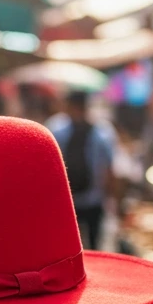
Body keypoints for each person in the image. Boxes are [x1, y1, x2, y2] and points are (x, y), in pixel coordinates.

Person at [48, 91, 115, 250]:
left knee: (72, 247)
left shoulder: (56, 129)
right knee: (91, 247)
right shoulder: (102, 131)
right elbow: (109, 170)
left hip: (74, 201)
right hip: (81, 200)